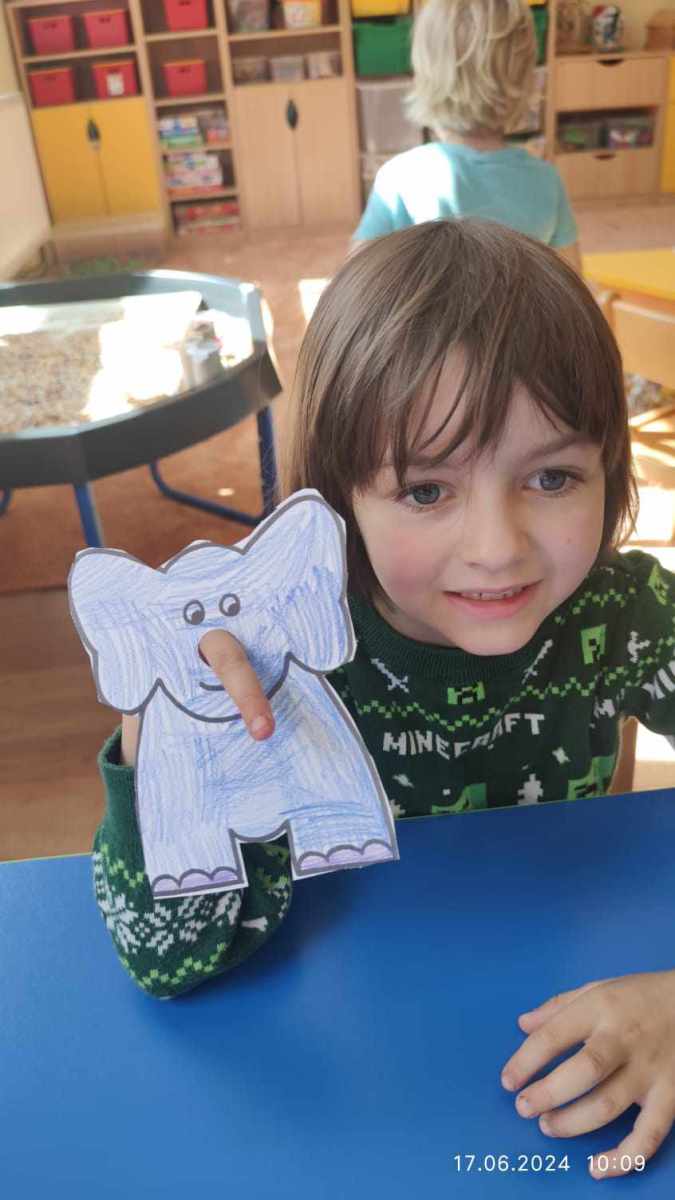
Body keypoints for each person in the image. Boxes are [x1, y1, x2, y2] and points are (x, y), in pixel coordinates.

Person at [95, 220, 675, 1177]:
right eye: (424, 492)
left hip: (575, 1018)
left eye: (551, 476)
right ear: (336, 505)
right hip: (355, 1081)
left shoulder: (629, 615)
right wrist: (165, 737)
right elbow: (169, 958)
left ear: (609, 472)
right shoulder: (284, 666)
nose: (496, 547)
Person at [354, 0, 581, 272]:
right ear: (527, 79)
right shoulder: (545, 181)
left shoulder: (401, 179)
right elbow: (573, 283)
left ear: (424, 75)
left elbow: (354, 278)